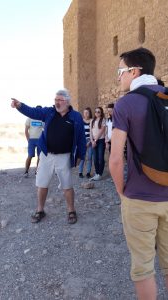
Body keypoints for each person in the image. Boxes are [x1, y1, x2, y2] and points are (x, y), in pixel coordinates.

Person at [109, 47, 168, 300]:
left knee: (143, 267)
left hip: (139, 197)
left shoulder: (126, 104)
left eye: (120, 71)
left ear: (134, 71)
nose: (118, 77)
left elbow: (114, 160)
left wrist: (123, 191)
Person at [11, 89, 86, 224]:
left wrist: (81, 154)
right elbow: (33, 112)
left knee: (67, 185)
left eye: (60, 100)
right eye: (55, 100)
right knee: (42, 183)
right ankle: (40, 210)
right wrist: (20, 106)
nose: (57, 103)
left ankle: (71, 210)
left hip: (64, 156)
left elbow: (81, 137)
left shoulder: (76, 116)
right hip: (46, 155)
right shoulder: (49, 112)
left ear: (67, 102)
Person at [24, 106, 44, 177]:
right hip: (31, 140)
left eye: (40, 110)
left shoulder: (42, 119)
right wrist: (28, 140)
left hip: (40, 140)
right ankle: (26, 171)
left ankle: (37, 172)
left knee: (40, 156)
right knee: (30, 155)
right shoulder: (29, 118)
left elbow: (45, 129)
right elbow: (26, 130)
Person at [90, 106, 106, 181]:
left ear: (101, 113)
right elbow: (91, 132)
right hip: (93, 141)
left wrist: (95, 140)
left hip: (100, 141)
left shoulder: (103, 120)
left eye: (98, 112)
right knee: (95, 158)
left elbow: (102, 131)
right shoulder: (92, 120)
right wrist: (92, 141)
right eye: (96, 111)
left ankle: (100, 174)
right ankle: (97, 173)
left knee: (100, 157)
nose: (97, 113)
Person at [78, 107, 93, 178]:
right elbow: (79, 132)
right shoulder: (81, 121)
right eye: (84, 113)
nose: (85, 114)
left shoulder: (92, 121)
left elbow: (93, 132)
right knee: (82, 157)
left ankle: (88, 173)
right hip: (82, 141)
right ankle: (80, 172)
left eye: (87, 112)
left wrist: (90, 141)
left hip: (90, 141)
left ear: (89, 113)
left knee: (89, 157)